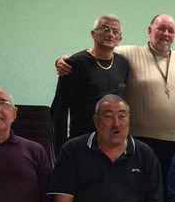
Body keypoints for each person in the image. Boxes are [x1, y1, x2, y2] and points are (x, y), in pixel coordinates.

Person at [57, 13, 175, 202]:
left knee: (162, 198)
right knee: (123, 198)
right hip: (135, 141)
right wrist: (64, 60)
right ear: (150, 30)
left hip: (174, 142)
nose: (166, 34)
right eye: (161, 28)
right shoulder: (129, 54)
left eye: (171, 30)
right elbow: (97, 53)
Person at [50, 14, 130, 153]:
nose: (110, 34)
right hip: (82, 142)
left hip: (113, 143)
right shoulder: (75, 63)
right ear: (93, 34)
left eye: (115, 31)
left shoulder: (123, 64)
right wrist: (60, 148)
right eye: (105, 29)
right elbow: (59, 109)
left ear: (119, 39)